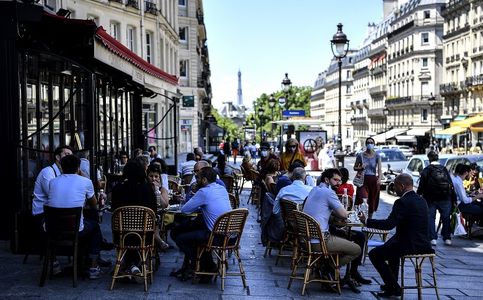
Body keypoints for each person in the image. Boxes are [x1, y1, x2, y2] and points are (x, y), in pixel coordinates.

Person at [360, 174, 433, 298]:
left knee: (375, 255)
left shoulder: (402, 202)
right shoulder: (421, 200)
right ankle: (391, 284)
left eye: (395, 186)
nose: (394, 189)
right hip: (423, 242)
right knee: (391, 248)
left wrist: (367, 221)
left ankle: (394, 287)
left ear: (402, 186)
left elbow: (389, 225)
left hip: (410, 244)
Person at [45, 155, 102, 279]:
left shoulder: (53, 182)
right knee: (95, 227)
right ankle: (93, 266)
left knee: (86, 223)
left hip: (52, 228)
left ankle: (54, 262)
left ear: (62, 167)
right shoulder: (86, 181)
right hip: (75, 229)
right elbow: (94, 204)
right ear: (78, 168)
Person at [171, 167, 232, 281]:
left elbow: (185, 210)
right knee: (189, 230)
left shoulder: (204, 191)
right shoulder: (221, 188)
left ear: (204, 180)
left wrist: (196, 196)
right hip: (230, 235)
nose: (196, 180)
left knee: (180, 238)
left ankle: (203, 266)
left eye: (197, 178)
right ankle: (204, 265)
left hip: (215, 236)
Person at [302, 168, 361, 276]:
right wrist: (355, 213)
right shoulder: (328, 192)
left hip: (306, 239)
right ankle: (328, 268)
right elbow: (343, 214)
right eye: (335, 180)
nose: (339, 183)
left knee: (345, 235)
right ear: (327, 180)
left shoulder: (315, 189)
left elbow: (322, 210)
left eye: (340, 180)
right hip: (320, 241)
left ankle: (326, 267)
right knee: (357, 249)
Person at [111, 159, 158, 278]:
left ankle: (130, 265)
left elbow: (113, 209)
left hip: (122, 235)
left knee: (129, 237)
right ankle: (136, 265)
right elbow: (153, 210)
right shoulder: (148, 189)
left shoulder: (118, 189)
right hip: (144, 235)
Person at [417, 150, 454, 246]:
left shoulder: (427, 170)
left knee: (430, 217)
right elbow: (451, 184)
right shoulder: (444, 169)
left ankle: (433, 238)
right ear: (438, 158)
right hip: (445, 198)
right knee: (446, 218)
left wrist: (418, 196)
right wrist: (453, 198)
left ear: (429, 159)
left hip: (430, 199)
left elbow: (421, 185)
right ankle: (447, 238)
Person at [32, 145, 73, 217]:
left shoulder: (64, 172)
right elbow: (53, 195)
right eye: (67, 154)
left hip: (55, 211)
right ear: (57, 157)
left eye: (71, 155)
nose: (70, 158)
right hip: (42, 213)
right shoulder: (47, 172)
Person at [354, 137, 382, 218]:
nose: (370, 144)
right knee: (363, 198)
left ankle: (369, 220)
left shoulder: (377, 156)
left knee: (372, 201)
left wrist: (379, 178)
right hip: (362, 180)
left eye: (371, 142)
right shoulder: (361, 155)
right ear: (366, 144)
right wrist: (361, 168)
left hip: (373, 180)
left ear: (374, 144)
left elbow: (379, 169)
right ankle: (362, 218)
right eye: (368, 142)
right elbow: (355, 167)